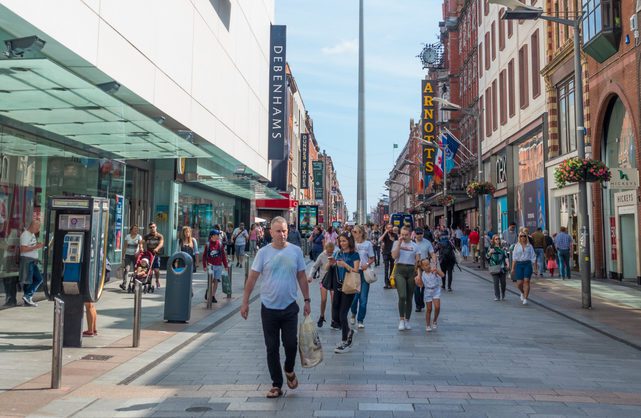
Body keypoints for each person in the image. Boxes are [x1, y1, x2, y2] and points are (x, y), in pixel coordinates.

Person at [240, 217, 310, 398]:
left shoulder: (295, 251)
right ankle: (276, 384)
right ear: (271, 233)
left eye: (285, 230)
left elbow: (302, 277)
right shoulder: (263, 253)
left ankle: (289, 369)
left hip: (289, 307)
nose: (282, 234)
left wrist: (307, 300)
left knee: (291, 345)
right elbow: (252, 278)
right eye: (278, 231)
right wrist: (245, 301)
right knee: (271, 347)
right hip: (269, 308)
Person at [330, 232, 360, 352]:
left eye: (344, 241)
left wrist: (345, 265)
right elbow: (332, 267)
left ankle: (344, 341)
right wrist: (331, 263)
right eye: (340, 241)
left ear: (349, 241)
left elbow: (356, 271)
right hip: (338, 285)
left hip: (349, 286)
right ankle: (349, 332)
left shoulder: (355, 254)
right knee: (335, 311)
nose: (342, 243)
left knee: (343, 314)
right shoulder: (338, 253)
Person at [391, 226, 420, 331]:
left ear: (410, 234)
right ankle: (401, 319)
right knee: (402, 295)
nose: (403, 236)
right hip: (399, 270)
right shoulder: (396, 243)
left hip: (411, 270)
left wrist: (418, 275)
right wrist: (399, 244)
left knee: (409, 297)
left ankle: (407, 319)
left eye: (406, 235)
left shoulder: (415, 246)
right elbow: (394, 256)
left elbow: (418, 261)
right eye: (402, 234)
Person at [350, 225, 375, 329]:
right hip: (354, 272)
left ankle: (360, 320)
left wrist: (367, 264)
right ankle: (353, 313)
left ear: (361, 233)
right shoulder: (351, 244)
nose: (354, 234)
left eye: (356, 232)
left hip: (364, 272)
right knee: (354, 297)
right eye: (353, 232)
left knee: (363, 298)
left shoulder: (368, 244)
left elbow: (372, 258)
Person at [308, 242, 336, 328]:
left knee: (333, 301)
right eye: (329, 252)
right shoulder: (322, 255)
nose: (330, 254)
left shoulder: (336, 254)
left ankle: (333, 320)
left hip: (333, 280)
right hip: (323, 280)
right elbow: (315, 266)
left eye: (331, 252)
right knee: (323, 299)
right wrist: (310, 276)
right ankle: (322, 315)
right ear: (326, 249)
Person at [19, 220, 45, 307]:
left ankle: (28, 297)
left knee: (36, 279)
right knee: (30, 280)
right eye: (37, 228)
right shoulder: (26, 235)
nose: (38, 230)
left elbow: (30, 246)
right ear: (32, 226)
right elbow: (23, 249)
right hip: (27, 260)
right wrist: (36, 247)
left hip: (32, 260)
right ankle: (28, 297)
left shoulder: (32, 234)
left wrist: (36, 246)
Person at [416, 258, 444, 332]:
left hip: (436, 290)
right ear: (422, 267)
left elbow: (443, 275)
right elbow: (421, 285)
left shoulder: (434, 271)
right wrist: (417, 280)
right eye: (426, 265)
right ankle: (428, 325)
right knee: (429, 309)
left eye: (428, 264)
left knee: (437, 307)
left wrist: (437, 270)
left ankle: (435, 320)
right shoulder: (422, 274)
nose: (428, 266)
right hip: (428, 291)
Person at [511, 228, 537, 305]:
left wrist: (535, 268)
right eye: (521, 236)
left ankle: (525, 298)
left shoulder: (530, 246)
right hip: (519, 264)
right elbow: (514, 258)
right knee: (519, 283)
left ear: (526, 237)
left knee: (526, 281)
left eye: (524, 236)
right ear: (519, 237)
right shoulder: (516, 246)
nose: (523, 237)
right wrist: (512, 268)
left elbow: (533, 257)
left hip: (527, 264)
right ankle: (522, 292)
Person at [413, 228, 435, 313]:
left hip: (425, 266)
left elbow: (432, 253)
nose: (419, 235)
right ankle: (418, 305)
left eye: (420, 233)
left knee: (424, 286)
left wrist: (434, 263)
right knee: (417, 286)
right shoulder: (412, 243)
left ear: (423, 233)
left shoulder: (427, 242)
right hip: (415, 266)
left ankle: (421, 302)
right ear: (415, 234)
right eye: (417, 234)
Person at [203, 230, 229, 303]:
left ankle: (213, 295)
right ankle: (209, 293)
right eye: (217, 235)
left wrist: (226, 266)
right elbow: (204, 256)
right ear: (212, 236)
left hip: (218, 266)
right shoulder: (208, 245)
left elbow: (223, 256)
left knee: (216, 281)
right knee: (211, 280)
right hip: (210, 266)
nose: (218, 236)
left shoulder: (220, 244)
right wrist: (204, 266)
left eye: (218, 235)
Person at [120, 225, 143, 290]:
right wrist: (123, 256)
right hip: (128, 255)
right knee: (126, 269)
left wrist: (139, 251)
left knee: (136, 270)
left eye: (137, 229)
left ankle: (135, 283)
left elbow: (140, 245)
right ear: (131, 230)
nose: (136, 230)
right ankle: (124, 284)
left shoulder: (139, 237)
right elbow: (125, 246)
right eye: (135, 229)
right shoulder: (127, 236)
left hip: (136, 256)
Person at [486, 234, 508, 301]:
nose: (497, 240)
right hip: (494, 267)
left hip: (502, 267)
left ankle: (503, 294)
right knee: (496, 283)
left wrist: (508, 264)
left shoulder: (502, 248)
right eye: (496, 239)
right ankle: (497, 296)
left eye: (498, 239)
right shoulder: (491, 248)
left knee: (503, 283)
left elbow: (506, 256)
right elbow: (487, 257)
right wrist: (490, 252)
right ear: (493, 240)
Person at [143, 222, 164, 289]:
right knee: (149, 270)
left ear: (156, 227)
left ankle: (157, 280)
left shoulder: (159, 236)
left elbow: (161, 243)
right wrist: (141, 247)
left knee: (156, 270)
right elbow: (142, 242)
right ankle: (149, 282)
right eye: (151, 227)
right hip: (148, 255)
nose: (152, 228)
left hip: (156, 254)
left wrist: (157, 248)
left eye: (153, 227)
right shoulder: (147, 236)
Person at [379, 223, 398, 289]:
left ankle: (391, 282)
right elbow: (379, 240)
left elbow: (398, 243)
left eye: (391, 227)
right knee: (386, 268)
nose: (390, 228)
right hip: (385, 253)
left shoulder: (395, 235)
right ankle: (386, 283)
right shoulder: (385, 235)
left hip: (393, 254)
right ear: (386, 228)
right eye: (389, 227)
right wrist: (385, 232)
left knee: (392, 268)